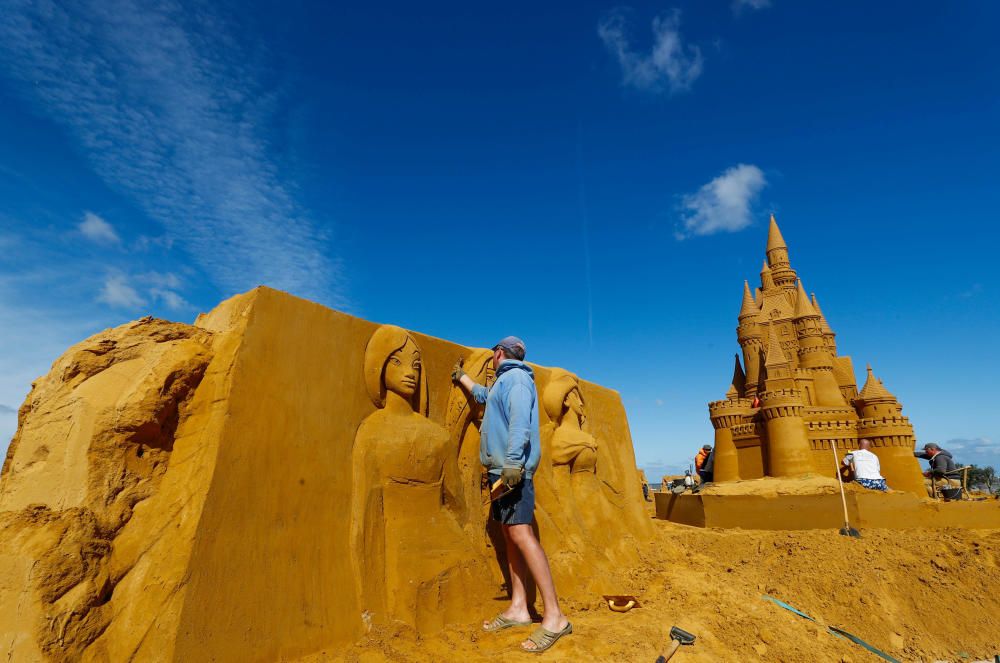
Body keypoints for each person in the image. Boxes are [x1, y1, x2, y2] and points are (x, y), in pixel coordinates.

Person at [452, 336, 572, 653]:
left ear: (499, 353)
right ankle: (520, 607)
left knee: (521, 533)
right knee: (510, 534)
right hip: (501, 473)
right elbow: (484, 397)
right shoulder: (504, 383)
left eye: (493, 354)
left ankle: (555, 616)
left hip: (512, 472)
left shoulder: (517, 379)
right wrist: (462, 378)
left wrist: (514, 464)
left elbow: (520, 423)